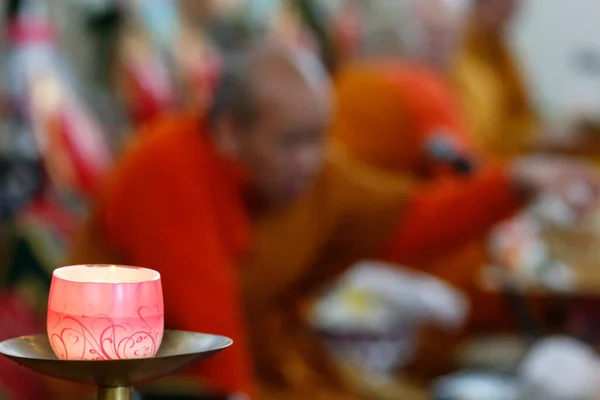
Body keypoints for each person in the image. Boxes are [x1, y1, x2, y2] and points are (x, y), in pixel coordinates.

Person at [70, 43, 599, 399]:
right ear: (229, 134)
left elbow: (409, 217)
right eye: (292, 142)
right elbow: (208, 335)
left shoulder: (316, 175)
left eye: (319, 137)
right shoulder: (168, 169)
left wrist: (516, 182)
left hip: (269, 364)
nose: (311, 158)